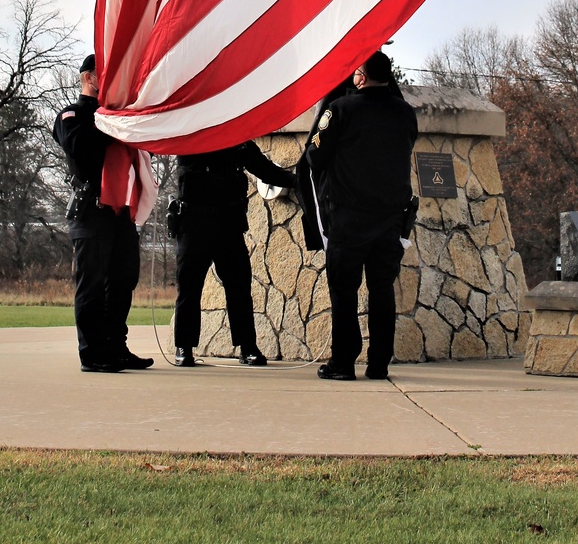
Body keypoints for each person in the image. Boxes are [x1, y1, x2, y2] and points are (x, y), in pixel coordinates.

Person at [306, 51, 418, 381]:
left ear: (360, 77)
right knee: (382, 291)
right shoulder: (406, 114)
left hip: (348, 218)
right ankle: (379, 363)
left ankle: (343, 363)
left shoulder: (339, 110)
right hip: (390, 219)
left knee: (344, 293)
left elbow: (314, 157)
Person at [53, 54, 153, 373]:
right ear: (89, 78)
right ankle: (92, 352)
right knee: (92, 284)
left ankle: (114, 346)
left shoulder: (116, 117)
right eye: (105, 74)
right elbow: (81, 151)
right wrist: (111, 121)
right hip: (91, 210)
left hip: (120, 211)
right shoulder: (73, 115)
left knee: (123, 280)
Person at [171, 141, 294, 367]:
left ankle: (247, 347)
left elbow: (262, 168)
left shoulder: (237, 137)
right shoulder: (190, 131)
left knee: (239, 287)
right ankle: (183, 346)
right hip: (194, 221)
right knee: (189, 286)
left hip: (228, 223)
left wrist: (297, 181)